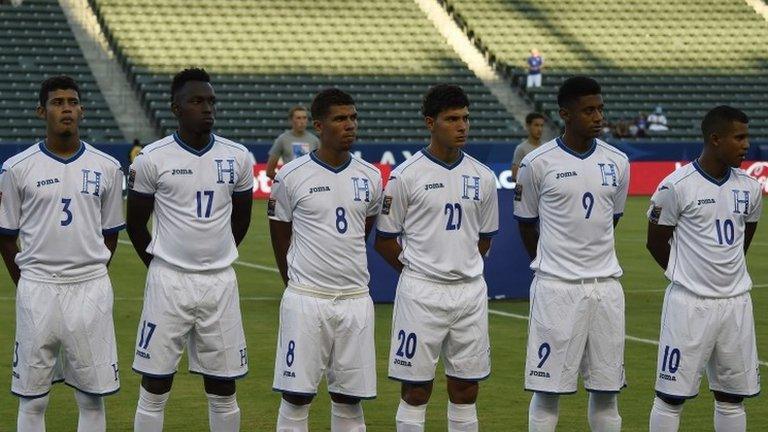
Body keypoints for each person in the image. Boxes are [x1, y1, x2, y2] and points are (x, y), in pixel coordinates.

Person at [127, 68, 253, 432]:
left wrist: (216, 254)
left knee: (223, 385)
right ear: (176, 108)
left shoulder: (238, 157)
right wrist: (159, 264)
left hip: (220, 282)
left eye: (211, 101)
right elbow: (136, 224)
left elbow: (241, 221)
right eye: (197, 101)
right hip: (169, 281)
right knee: (155, 382)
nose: (207, 108)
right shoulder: (152, 158)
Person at [0, 75, 125, 432]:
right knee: (33, 397)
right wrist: (28, 282)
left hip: (90, 288)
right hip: (37, 289)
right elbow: (6, 237)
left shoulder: (107, 167)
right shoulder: (17, 168)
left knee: (90, 395)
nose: (66, 108)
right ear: (42, 111)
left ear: (81, 110)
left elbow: (110, 234)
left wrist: (90, 270)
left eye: (72, 102)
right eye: (57, 103)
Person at [375, 84, 499, 432]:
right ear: (431, 122)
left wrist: (460, 266)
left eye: (466, 118)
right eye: (452, 119)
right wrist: (418, 271)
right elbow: (384, 239)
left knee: (466, 388)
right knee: (415, 390)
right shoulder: (406, 176)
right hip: (421, 293)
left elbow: (485, 237)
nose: (462, 126)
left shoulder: (483, 176)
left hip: (469, 293)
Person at [514, 76, 629, 432]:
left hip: (606, 288)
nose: (598, 117)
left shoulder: (619, 161)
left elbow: (612, 219)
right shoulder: (537, 163)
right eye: (588, 110)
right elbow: (526, 223)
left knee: (607, 393)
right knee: (548, 391)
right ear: (565, 114)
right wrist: (553, 264)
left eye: (600, 109)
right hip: (556, 289)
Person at [269, 88, 382, 432]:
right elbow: (279, 234)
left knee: (349, 399)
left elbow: (365, 229)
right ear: (319, 125)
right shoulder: (291, 176)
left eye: (353, 117)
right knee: (297, 396)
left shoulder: (371, 176)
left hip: (354, 300)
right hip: (307, 299)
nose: (350, 125)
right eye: (340, 118)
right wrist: (295, 283)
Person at [646, 106, 762, 432]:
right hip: (689, 304)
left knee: (731, 397)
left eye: (746, 137)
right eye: (739, 137)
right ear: (715, 139)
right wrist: (686, 276)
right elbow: (655, 242)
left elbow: (743, 238)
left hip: (736, 303)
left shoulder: (750, 188)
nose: (746, 144)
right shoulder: (676, 185)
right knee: (671, 396)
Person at [265, 105, 320, 180]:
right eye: (298, 118)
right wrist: (284, 182)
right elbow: (269, 171)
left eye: (304, 118)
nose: (302, 121)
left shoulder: (314, 140)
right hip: (290, 185)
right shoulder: (282, 139)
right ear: (291, 120)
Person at [512, 112, 546, 181]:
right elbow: (514, 176)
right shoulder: (521, 149)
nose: (540, 129)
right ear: (528, 126)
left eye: (541, 125)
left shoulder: (547, 147)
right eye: (536, 125)